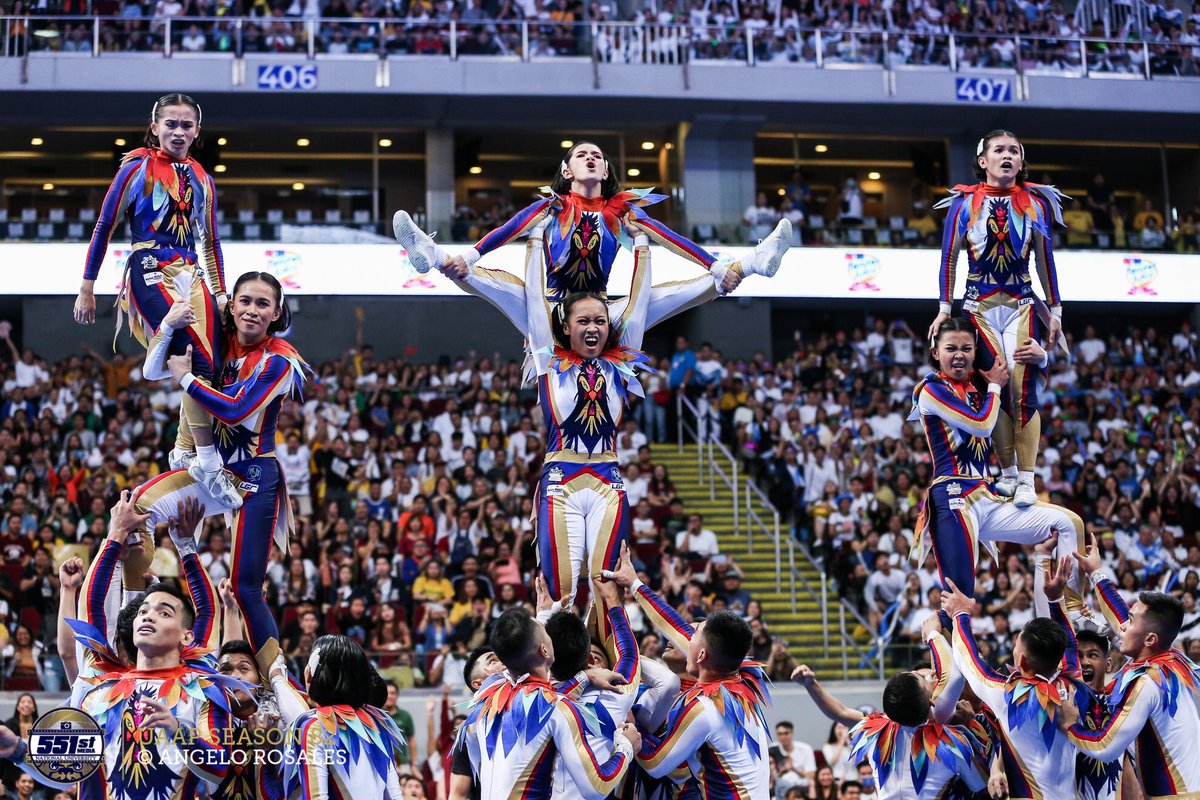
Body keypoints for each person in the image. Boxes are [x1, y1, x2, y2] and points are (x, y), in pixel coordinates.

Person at [137, 271, 313, 674]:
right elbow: (153, 367)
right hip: (210, 473)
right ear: (230, 305)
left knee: (245, 589)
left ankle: (277, 679)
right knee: (134, 515)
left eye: (263, 304)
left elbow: (235, 408)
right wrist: (168, 325)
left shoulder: (279, 361)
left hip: (253, 479)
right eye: (245, 301)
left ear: (277, 313)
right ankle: (127, 641)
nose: (252, 310)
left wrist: (185, 378)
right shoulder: (213, 339)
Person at [0, 508, 238, 800]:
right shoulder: (100, 689)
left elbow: (220, 767)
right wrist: (19, 751)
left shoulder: (201, 688)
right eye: (143, 611)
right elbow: (68, 772)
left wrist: (185, 545)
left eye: (164, 612)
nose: (149, 616)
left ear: (186, 636)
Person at [72, 92, 238, 510]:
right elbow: (105, 224)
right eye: (171, 124)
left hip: (191, 270)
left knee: (215, 364)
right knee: (190, 354)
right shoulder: (136, 167)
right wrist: (87, 286)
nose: (179, 132)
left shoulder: (203, 176)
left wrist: (219, 293)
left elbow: (211, 241)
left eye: (187, 125)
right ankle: (207, 461)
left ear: (197, 131)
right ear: (155, 127)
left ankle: (185, 450)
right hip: (149, 263)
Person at [395, 140, 790, 303]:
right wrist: (471, 255)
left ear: (604, 172)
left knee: (675, 295)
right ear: (567, 172)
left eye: (597, 156)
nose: (590, 157)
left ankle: (752, 262)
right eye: (581, 154)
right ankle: (431, 255)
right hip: (546, 303)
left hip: (601, 306)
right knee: (478, 277)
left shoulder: (621, 211)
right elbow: (509, 228)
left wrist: (717, 267)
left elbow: (669, 236)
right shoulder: (551, 206)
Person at [929, 129, 1067, 507]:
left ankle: (1026, 479)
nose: (1007, 155)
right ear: (982, 161)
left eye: (1014, 151)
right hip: (979, 307)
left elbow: (1044, 260)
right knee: (998, 382)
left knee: (1024, 388)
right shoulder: (963, 205)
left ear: (1022, 163)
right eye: (999, 150)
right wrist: (944, 308)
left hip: (1022, 304)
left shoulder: (1035, 204)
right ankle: (1006, 473)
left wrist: (1054, 311)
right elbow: (949, 259)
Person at [911, 318, 1083, 615]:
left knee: (1068, 524)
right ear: (936, 352)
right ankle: (951, 662)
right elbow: (980, 425)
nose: (959, 355)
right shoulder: (931, 389)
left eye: (967, 348)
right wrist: (993, 387)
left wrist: (1042, 355)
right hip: (954, 498)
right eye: (950, 348)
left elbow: (1021, 386)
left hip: (987, 494)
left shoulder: (978, 384)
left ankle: (1069, 615)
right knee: (960, 596)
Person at [602, 545, 773, 797]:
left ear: (702, 655)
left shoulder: (704, 708)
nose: (685, 639)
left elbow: (656, 764)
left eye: (693, 638)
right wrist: (635, 584)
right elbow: (678, 629)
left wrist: (634, 733)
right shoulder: (744, 681)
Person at [1062, 533, 1200, 798]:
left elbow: (1105, 746)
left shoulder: (1146, 682)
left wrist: (1070, 725)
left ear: (1149, 638)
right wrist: (1096, 574)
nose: (1123, 625)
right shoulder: (1171, 659)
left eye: (1131, 620)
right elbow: (1123, 623)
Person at [457, 609, 640, 800]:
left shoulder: (488, 696)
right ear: (544, 649)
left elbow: (521, 662)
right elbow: (596, 788)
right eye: (545, 632)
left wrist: (584, 677)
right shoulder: (559, 710)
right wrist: (625, 747)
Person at [941, 561, 1084, 800]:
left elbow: (969, 662)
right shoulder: (1073, 687)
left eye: (1016, 645)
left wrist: (961, 614)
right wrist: (1055, 600)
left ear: (1021, 661)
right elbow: (1069, 647)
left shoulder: (1008, 695)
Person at [283, 635, 406, 800]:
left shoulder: (314, 725)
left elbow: (316, 797)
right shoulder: (380, 723)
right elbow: (395, 795)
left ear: (314, 675)